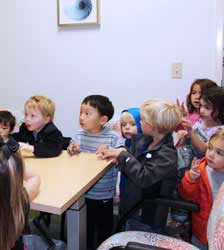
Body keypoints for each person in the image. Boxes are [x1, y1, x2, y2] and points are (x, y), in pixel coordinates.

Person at [99, 99, 182, 233]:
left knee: (140, 238)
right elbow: (131, 156)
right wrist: (114, 153)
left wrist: (123, 156)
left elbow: (144, 177)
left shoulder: (167, 155)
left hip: (148, 213)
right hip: (132, 204)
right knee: (127, 231)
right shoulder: (145, 140)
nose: (140, 121)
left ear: (151, 125)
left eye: (142, 119)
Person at [67, 95, 124, 249]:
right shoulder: (79, 135)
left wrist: (112, 152)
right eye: (81, 112)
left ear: (103, 120)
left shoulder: (112, 137)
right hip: (82, 193)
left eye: (87, 113)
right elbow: (72, 152)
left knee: (104, 231)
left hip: (103, 194)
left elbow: (122, 153)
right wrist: (72, 150)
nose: (81, 117)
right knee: (85, 228)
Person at [179, 128, 224, 250]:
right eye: (209, 147)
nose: (210, 154)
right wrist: (191, 179)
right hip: (201, 232)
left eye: (219, 153)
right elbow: (186, 195)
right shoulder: (200, 169)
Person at [182, 86, 224, 157]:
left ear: (220, 110)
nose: (202, 110)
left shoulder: (220, 131)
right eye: (201, 105)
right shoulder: (201, 121)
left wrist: (190, 132)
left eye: (207, 108)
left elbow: (204, 151)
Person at [116, 108, 143, 203]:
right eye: (123, 125)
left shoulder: (143, 144)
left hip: (136, 187)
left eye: (133, 124)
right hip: (125, 184)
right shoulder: (128, 142)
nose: (127, 128)